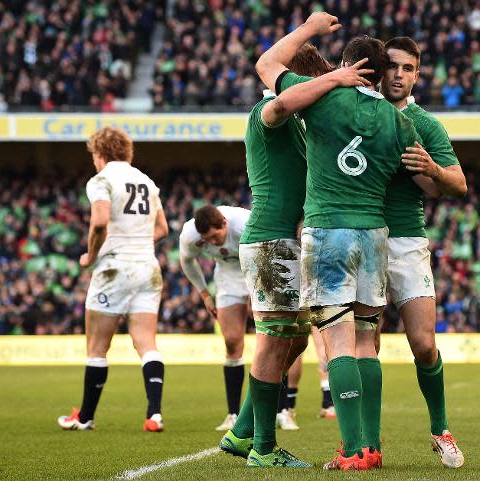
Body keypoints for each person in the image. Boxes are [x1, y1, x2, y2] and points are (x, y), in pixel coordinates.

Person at [255, 12, 439, 470]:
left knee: (336, 344)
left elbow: (266, 66)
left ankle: (355, 449)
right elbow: (431, 184)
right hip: (375, 234)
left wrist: (312, 34)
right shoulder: (398, 122)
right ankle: (372, 447)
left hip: (329, 231)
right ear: (381, 74)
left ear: (348, 65)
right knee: (365, 341)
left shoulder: (322, 101)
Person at [218, 40, 375, 468]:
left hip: (287, 241)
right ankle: (262, 449)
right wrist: (334, 75)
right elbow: (283, 98)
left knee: (296, 337)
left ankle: (241, 431)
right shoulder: (269, 112)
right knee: (274, 340)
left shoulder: (302, 125)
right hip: (270, 240)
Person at [379, 36, 467, 468]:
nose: (399, 74)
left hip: (408, 240)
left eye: (408, 68)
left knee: (423, 342)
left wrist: (432, 169)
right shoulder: (359, 111)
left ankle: (440, 429)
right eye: (393, 65)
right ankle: (364, 442)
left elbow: (459, 183)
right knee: (364, 346)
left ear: (417, 74)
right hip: (361, 236)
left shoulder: (425, 124)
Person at [58, 127, 169, 432]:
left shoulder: (102, 180)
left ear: (100, 153)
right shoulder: (146, 181)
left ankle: (85, 417)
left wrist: (90, 256)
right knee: (147, 343)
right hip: (147, 266)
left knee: (96, 347)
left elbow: (100, 222)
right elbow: (162, 229)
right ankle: (154, 414)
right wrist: (137, 245)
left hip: (114, 269)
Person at [179, 204, 251, 431]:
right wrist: (204, 294)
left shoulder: (244, 223)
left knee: (273, 337)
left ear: (225, 224)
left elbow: (269, 251)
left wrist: (261, 287)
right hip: (228, 277)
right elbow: (187, 261)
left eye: (217, 235)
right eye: (208, 239)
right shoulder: (189, 235)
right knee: (231, 341)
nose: (214, 242)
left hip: (258, 271)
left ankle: (281, 409)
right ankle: (233, 414)